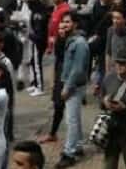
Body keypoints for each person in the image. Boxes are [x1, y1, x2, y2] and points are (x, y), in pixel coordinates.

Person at [55, 12, 89, 169]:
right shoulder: (70, 39)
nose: (64, 24)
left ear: (75, 24)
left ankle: (69, 153)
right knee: (74, 118)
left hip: (74, 85)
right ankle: (79, 145)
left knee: (71, 120)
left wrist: (67, 87)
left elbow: (78, 68)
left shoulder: (80, 43)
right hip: (70, 83)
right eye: (63, 22)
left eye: (67, 22)